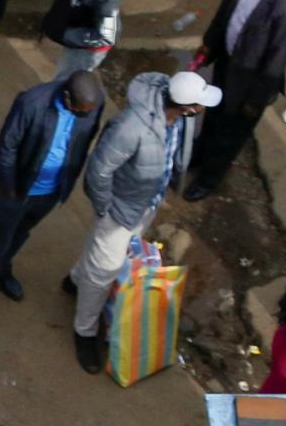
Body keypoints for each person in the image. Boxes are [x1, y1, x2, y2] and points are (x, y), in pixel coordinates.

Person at [71, 72, 215, 374]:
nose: (202, 108)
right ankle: (84, 331)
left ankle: (74, 280)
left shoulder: (179, 119)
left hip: (144, 203)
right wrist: (106, 209)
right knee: (104, 271)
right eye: (200, 103)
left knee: (104, 257)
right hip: (120, 209)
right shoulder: (131, 126)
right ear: (189, 106)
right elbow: (99, 170)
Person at [0, 74, 105, 341]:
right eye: (80, 111)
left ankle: (3, 270)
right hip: (18, 192)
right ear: (67, 98)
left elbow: (84, 143)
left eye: (89, 113)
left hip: (50, 193)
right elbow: (8, 146)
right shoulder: (32, 103)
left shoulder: (93, 103)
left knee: (21, 234)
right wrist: (8, 189)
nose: (86, 116)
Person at [185, 0, 286, 199]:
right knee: (212, 114)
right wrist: (210, 42)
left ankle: (208, 179)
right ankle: (197, 156)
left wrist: (254, 101)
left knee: (229, 134)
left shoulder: (285, 10)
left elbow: (276, 61)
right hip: (227, 59)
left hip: (249, 81)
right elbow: (226, 9)